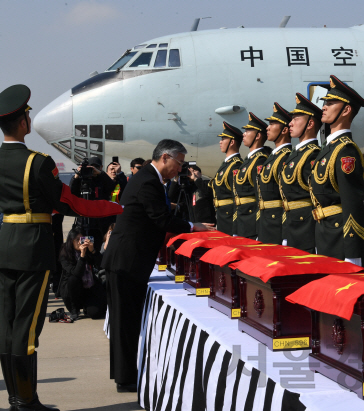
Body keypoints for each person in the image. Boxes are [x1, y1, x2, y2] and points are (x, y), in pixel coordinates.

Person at [0, 84, 123, 411]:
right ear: (24, 122)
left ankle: (15, 398)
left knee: (7, 324)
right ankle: (26, 402)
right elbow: (72, 205)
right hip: (32, 248)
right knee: (27, 326)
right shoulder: (36, 163)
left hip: (5, 245)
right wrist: (118, 208)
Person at [101, 139, 214, 392]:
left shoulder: (150, 179)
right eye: (179, 163)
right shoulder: (148, 180)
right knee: (125, 323)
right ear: (165, 157)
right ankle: (126, 378)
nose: (180, 169)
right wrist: (192, 226)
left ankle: (126, 374)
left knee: (128, 322)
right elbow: (161, 218)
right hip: (126, 261)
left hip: (130, 260)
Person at [310, 75, 364, 264]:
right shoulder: (329, 148)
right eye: (325, 102)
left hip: (340, 239)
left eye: (331, 102)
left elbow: (352, 204)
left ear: (346, 110)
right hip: (325, 234)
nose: (324, 106)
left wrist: (352, 253)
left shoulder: (345, 150)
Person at [280, 93, 322, 253]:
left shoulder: (313, 154)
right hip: (292, 224)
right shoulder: (295, 154)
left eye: (296, 119)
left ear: (310, 123)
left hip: (307, 227)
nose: (290, 124)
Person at [257, 103, 293, 244]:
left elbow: (286, 198)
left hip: (277, 225)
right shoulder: (273, 156)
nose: (268, 127)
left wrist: (285, 235)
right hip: (267, 224)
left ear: (284, 130)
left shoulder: (285, 157)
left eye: (272, 123)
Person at [233, 113, 271, 238]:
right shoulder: (249, 160)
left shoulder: (259, 160)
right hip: (243, 219)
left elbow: (260, 196)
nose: (243, 134)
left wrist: (258, 227)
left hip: (251, 222)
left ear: (258, 136)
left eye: (248, 131)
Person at [59, 228, 107, 320]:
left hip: (88, 288)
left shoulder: (87, 250)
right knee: (73, 279)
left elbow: (101, 265)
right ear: (71, 241)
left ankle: (87, 307)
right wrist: (82, 256)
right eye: (77, 240)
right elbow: (77, 274)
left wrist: (93, 251)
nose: (80, 242)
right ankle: (75, 310)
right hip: (72, 292)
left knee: (95, 314)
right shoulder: (65, 254)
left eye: (82, 239)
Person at [210, 122, 243, 235]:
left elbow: (236, 198)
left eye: (223, 139)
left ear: (232, 142)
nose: (220, 142)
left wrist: (235, 228)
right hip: (222, 216)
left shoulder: (236, 165)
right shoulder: (227, 164)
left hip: (229, 219)